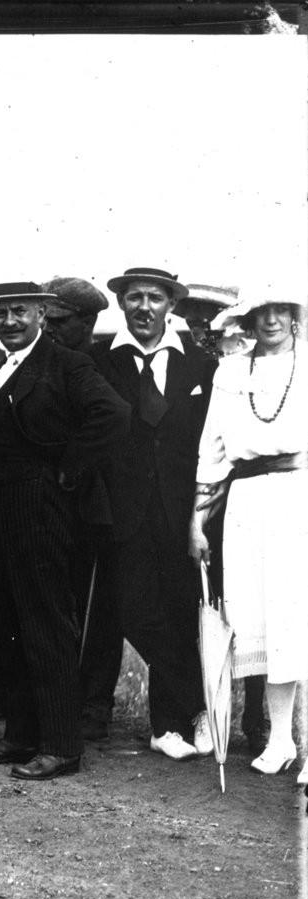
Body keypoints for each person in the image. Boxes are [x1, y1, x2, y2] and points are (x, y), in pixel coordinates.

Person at [0, 282, 129, 781]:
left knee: (46, 625)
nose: (9, 321)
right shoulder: (3, 369)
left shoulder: (67, 364)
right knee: (9, 627)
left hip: (39, 516)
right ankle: (20, 736)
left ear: (40, 313)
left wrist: (67, 469)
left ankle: (61, 745)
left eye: (19, 312)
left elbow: (114, 415)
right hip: (1, 520)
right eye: (0, 314)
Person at [89, 267, 216, 760]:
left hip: (183, 514)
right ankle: (198, 704)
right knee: (133, 612)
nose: (144, 307)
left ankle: (168, 726)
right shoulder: (100, 364)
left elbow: (212, 441)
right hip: (123, 515)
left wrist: (203, 515)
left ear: (170, 306)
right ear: (121, 304)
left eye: (155, 298)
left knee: (182, 613)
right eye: (135, 297)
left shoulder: (199, 366)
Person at [189, 291, 307, 781]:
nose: (273, 319)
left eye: (283, 310)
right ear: (250, 319)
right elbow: (212, 450)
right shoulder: (231, 373)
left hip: (298, 494)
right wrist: (195, 521)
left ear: (297, 317)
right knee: (262, 619)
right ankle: (281, 739)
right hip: (246, 503)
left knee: (297, 616)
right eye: (263, 312)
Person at [174, 282, 266, 754]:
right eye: (192, 323)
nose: (201, 332)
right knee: (212, 609)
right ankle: (211, 711)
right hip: (201, 502)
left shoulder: (248, 367)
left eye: (209, 322)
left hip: (247, 496)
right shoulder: (186, 366)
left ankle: (257, 716)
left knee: (253, 608)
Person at [37, 276, 125, 744]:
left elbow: (113, 423)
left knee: (101, 611)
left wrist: (72, 465)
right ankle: (59, 701)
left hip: (97, 508)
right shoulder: (44, 363)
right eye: (46, 319)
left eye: (61, 321)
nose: (49, 328)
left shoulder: (101, 367)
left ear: (88, 322)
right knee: (58, 604)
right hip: (54, 508)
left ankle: (96, 705)